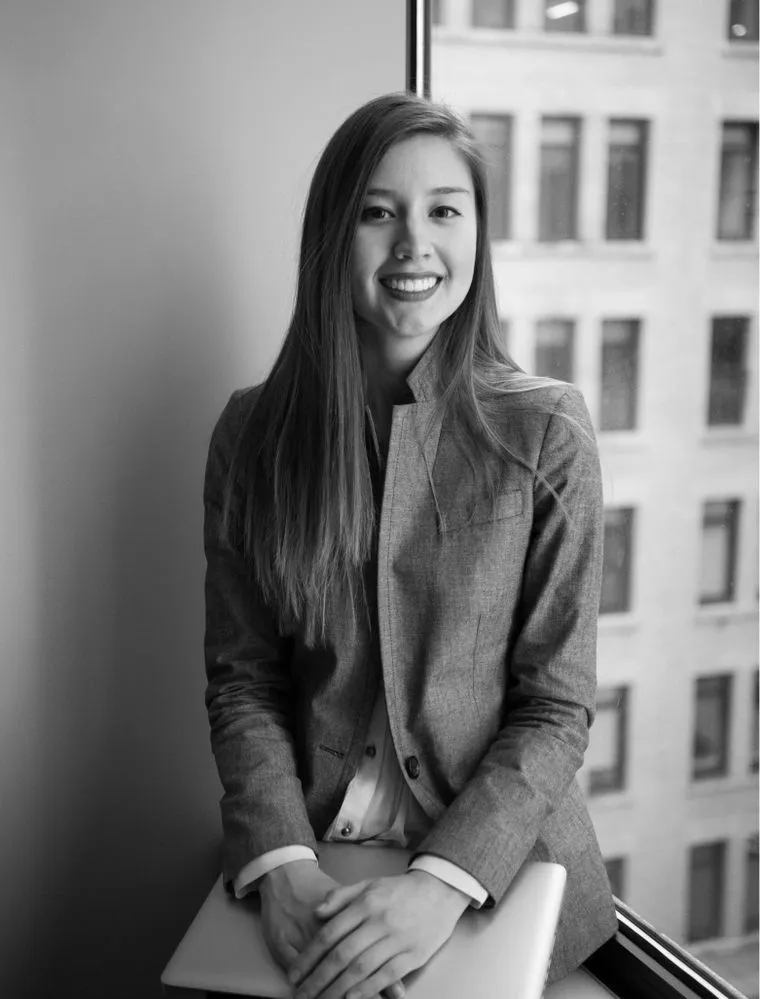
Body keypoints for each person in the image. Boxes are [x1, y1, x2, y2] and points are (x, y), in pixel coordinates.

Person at [203, 91, 617, 999]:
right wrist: (279, 868)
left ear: (478, 233)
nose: (413, 246)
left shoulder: (547, 430)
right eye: (378, 212)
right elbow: (245, 680)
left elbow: (556, 707)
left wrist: (440, 886)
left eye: (443, 211)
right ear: (331, 237)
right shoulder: (252, 434)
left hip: (493, 873)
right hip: (313, 858)